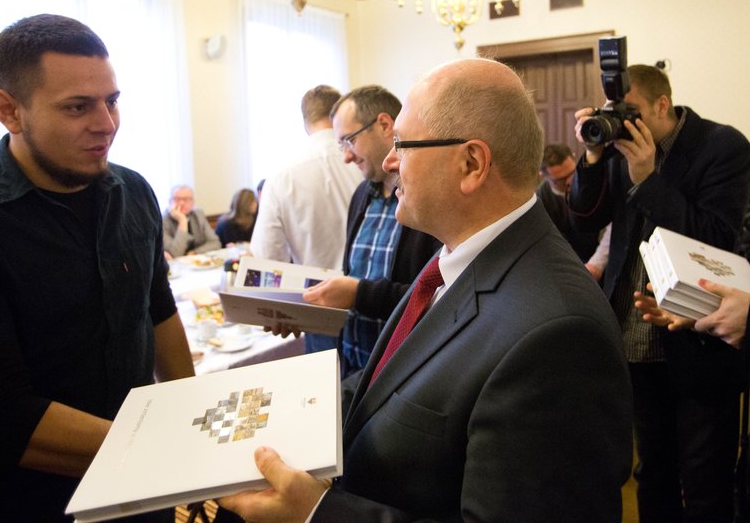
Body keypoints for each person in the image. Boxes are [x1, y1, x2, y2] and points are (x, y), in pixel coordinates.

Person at [219, 58, 633, 523]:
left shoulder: (559, 336)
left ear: (471, 164)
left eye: (403, 144)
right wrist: (281, 411)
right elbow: (387, 385)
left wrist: (316, 513)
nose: (390, 161)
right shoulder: (454, 257)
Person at [0, 14, 195, 522]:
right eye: (77, 107)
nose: (106, 124)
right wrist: (173, 454)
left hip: (134, 489)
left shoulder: (133, 193)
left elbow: (158, 312)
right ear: (9, 111)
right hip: (9, 503)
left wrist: (191, 420)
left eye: (112, 101)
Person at [567, 64, 750, 523]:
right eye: (614, 113)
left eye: (632, 112)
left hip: (701, 337)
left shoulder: (722, 146)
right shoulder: (615, 150)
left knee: (705, 479)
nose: (622, 123)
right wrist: (591, 157)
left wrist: (648, 178)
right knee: (653, 475)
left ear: (661, 105)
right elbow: (583, 220)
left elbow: (716, 241)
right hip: (635, 338)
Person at [303, 85, 441, 375]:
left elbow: (438, 299)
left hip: (401, 373)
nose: (346, 157)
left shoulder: (429, 198)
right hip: (354, 366)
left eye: (349, 141)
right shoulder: (362, 195)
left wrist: (358, 294)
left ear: (384, 125)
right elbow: (354, 277)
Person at [250, 84, 361, 355]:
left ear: (305, 123)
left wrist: (284, 312)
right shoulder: (366, 159)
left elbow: (266, 260)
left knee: (331, 395)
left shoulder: (280, 177)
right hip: (379, 303)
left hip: (319, 311)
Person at [537, 143, 601, 262]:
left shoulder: (588, 180)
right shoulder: (541, 201)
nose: (570, 181)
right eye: (561, 180)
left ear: (574, 157)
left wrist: (597, 263)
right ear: (543, 176)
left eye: (572, 173)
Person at [163, 184, 222, 259]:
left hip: (198, 262)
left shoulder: (198, 214)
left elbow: (215, 243)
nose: (181, 203)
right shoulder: (163, 220)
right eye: (177, 199)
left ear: (193, 202)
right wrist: (182, 221)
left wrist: (195, 252)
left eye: (186, 199)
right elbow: (175, 253)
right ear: (170, 202)